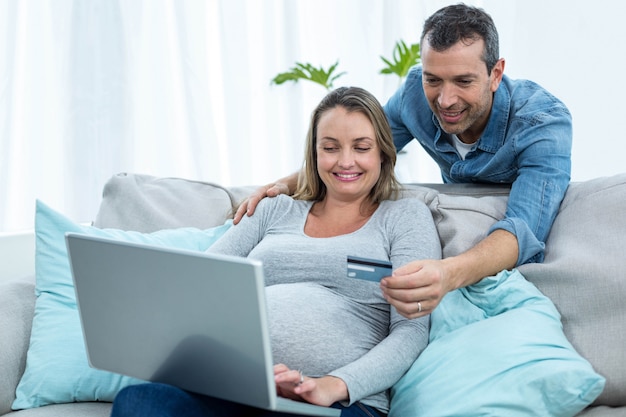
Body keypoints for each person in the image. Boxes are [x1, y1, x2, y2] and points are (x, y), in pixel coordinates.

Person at [109, 86, 441, 417]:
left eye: (361, 147)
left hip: (339, 403)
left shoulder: (404, 218)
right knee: (138, 402)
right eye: (330, 147)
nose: (345, 161)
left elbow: (410, 332)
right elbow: (198, 286)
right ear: (313, 154)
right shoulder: (273, 210)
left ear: (383, 152)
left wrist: (332, 384)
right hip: (236, 389)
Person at [234, 4, 572, 320]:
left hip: (497, 249)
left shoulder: (542, 122)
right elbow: (365, 150)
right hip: (448, 236)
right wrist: (284, 186)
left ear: (496, 74)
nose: (445, 99)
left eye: (464, 81)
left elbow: (523, 230)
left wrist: (447, 273)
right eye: (433, 79)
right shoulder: (414, 93)